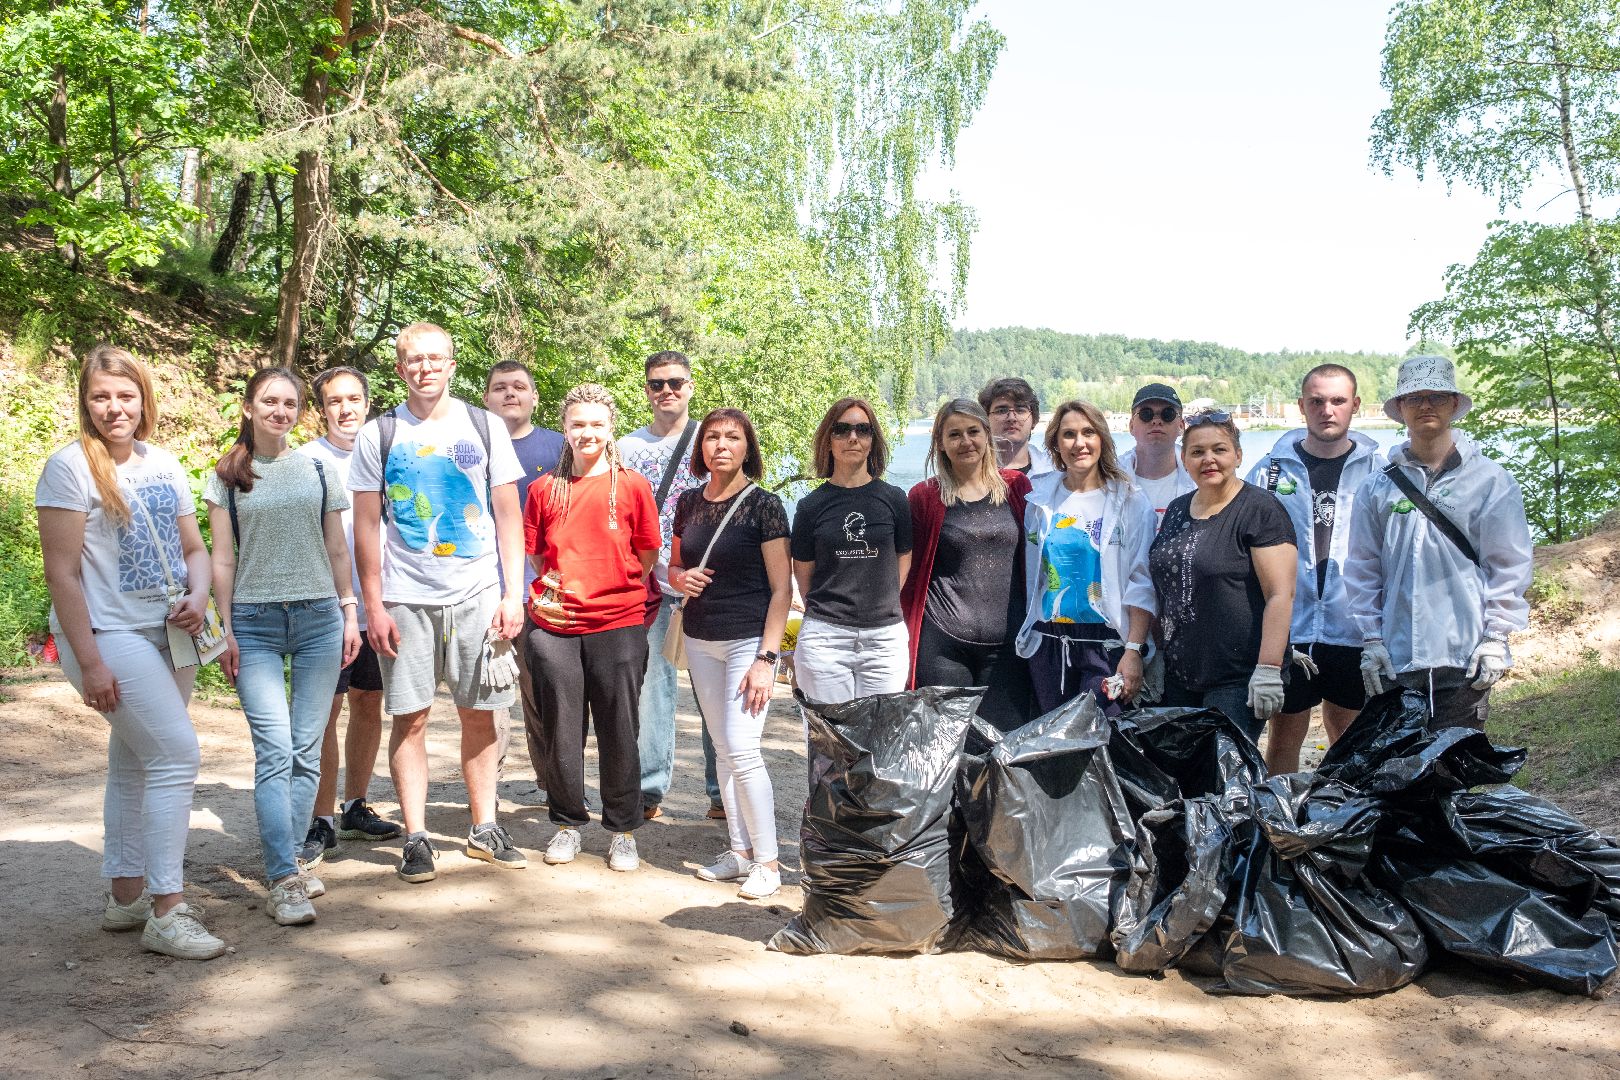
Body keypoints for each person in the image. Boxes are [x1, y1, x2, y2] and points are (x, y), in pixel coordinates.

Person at [36, 345, 227, 960]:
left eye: (125, 395)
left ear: (144, 400)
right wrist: (90, 661)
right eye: (101, 397)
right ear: (85, 403)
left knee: (135, 760)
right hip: (108, 635)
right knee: (176, 754)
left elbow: (194, 550)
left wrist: (200, 595)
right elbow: (62, 574)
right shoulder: (68, 468)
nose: (114, 407)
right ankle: (168, 911)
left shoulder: (162, 463)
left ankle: (127, 898)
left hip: (170, 630)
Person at [349, 322, 529, 884]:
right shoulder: (378, 435)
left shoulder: (485, 426)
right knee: (411, 717)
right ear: (399, 368)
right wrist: (373, 605)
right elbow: (365, 526)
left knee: (481, 713)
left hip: (477, 594)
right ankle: (416, 837)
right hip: (405, 598)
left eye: (435, 358)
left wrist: (513, 593)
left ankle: (484, 827)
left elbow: (508, 515)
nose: (425, 368)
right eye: (414, 359)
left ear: (451, 365)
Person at [206, 366, 360, 926]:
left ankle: (291, 860)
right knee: (274, 749)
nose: (280, 411)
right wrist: (224, 629)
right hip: (254, 624)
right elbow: (223, 559)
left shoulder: (319, 469)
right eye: (269, 402)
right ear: (249, 407)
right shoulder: (228, 475)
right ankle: (282, 878)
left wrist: (349, 613)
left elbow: (337, 550)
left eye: (290, 403)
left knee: (305, 748)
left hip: (320, 618)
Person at [1345, 355, 1532, 729]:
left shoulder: (1490, 481)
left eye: (1436, 397)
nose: (1425, 405)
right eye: (1414, 398)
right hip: (1396, 657)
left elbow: (1509, 564)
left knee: (1456, 761)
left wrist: (1496, 637)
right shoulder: (1377, 486)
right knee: (1394, 763)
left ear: (1453, 403)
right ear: (1401, 407)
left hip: (1465, 654)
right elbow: (1363, 568)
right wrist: (1372, 639)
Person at [525, 384, 661, 871]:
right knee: (561, 730)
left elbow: (647, 555)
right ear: (564, 429)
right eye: (578, 424)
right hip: (555, 628)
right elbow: (539, 556)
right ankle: (567, 824)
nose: (587, 432)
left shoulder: (633, 487)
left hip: (619, 623)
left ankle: (622, 830)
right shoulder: (544, 490)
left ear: (611, 428)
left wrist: (608, 588)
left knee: (619, 728)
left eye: (597, 424)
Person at [670, 408, 792, 900]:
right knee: (723, 749)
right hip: (700, 638)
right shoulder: (688, 502)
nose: (721, 445)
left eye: (733, 437)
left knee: (742, 749)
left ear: (747, 447)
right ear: (701, 448)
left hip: (748, 641)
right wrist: (680, 578)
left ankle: (769, 863)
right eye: (712, 437)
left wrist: (767, 658)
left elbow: (782, 590)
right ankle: (740, 853)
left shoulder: (765, 506)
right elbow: (674, 566)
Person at [1245, 364, 1385, 774]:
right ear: (1301, 405)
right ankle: (1282, 811)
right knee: (1284, 736)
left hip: (1353, 626)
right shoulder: (1270, 471)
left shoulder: (1379, 471)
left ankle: (1345, 810)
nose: (1327, 410)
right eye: (1317, 401)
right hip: (1290, 627)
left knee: (1350, 738)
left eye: (1338, 400)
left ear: (1355, 405)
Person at [298, 367, 401, 868]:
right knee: (325, 710)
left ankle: (355, 806)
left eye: (354, 398)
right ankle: (320, 819)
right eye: (334, 401)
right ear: (322, 409)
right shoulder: (306, 461)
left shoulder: (388, 452)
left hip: (381, 602)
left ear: (367, 402)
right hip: (326, 605)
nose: (345, 408)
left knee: (369, 701)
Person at [1149, 410, 1297, 743]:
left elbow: (1280, 594)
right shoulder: (1176, 509)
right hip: (1180, 671)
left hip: (1239, 676)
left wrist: (1269, 668)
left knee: (1223, 767)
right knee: (1180, 768)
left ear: (1238, 456)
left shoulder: (1260, 509)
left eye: (1219, 450)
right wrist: (1155, 652)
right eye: (1197, 452)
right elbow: (1165, 587)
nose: (1209, 459)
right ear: (1184, 460)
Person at [617, 350, 721, 821]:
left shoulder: (711, 439)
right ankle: (649, 789)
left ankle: (722, 792)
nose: (667, 391)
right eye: (657, 383)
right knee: (652, 691)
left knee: (713, 692)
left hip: (707, 584)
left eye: (675, 382)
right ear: (646, 390)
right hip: (651, 585)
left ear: (690, 387)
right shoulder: (627, 447)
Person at [1014, 400, 1156, 716]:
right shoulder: (1039, 499)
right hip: (1049, 643)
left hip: (1107, 644)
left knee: (1102, 736)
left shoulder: (1130, 501)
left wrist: (1134, 649)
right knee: (1054, 741)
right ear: (1055, 443)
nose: (1079, 443)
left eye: (1088, 432)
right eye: (1068, 434)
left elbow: (1142, 580)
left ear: (1102, 438)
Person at [900, 399, 1032, 724]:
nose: (965, 441)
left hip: (1008, 647)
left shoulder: (1016, 487)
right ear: (940, 443)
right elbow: (908, 572)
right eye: (954, 434)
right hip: (943, 646)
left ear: (987, 435)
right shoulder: (924, 496)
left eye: (973, 431)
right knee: (943, 745)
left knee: (1004, 744)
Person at [791, 398, 913, 703]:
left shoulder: (894, 499)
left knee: (881, 729)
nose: (853, 437)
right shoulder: (810, 507)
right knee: (828, 731)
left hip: (884, 638)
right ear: (828, 440)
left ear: (873, 440)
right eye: (842, 430)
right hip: (825, 637)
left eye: (863, 430)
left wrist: (879, 601)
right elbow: (803, 574)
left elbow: (903, 558)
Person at [483, 360, 565, 798]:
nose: (510, 393)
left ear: (534, 397)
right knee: (488, 698)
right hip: (482, 590)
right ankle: (486, 791)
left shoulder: (558, 448)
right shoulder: (470, 446)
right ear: (486, 398)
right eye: (500, 388)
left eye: (519, 386)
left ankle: (556, 786)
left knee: (545, 695)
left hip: (544, 592)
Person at [1120, 382, 1194, 529]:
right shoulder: (1109, 477)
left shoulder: (1200, 476)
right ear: (1131, 426)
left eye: (1168, 414)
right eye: (1146, 414)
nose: (1156, 421)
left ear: (1181, 426)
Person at [977, 377, 1055, 476]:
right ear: (985, 420)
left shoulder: (1055, 470)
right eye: (1001, 411)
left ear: (1034, 420)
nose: (1011, 418)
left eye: (1020, 410)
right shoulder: (971, 471)